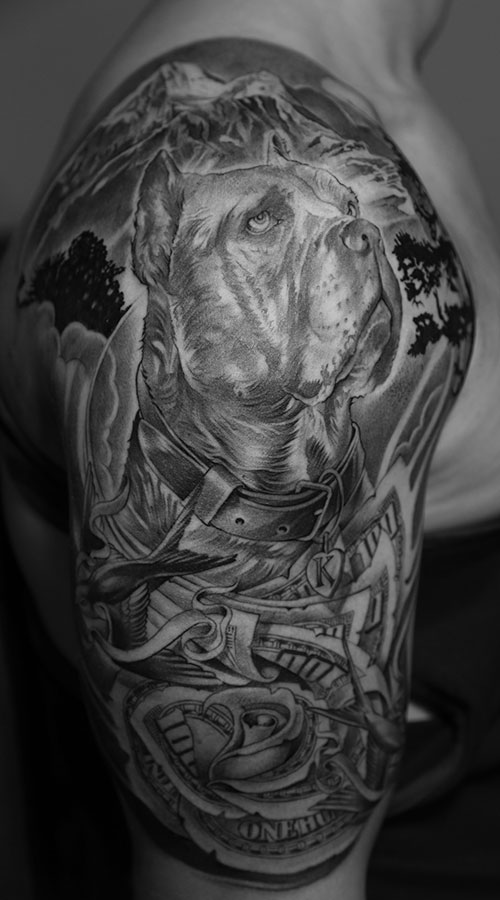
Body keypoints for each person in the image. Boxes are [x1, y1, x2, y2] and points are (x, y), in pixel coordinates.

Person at [0, 1, 499, 897]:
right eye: (264, 227)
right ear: (168, 288)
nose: (352, 236)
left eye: (339, 218)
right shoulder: (247, 137)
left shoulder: (347, 106)